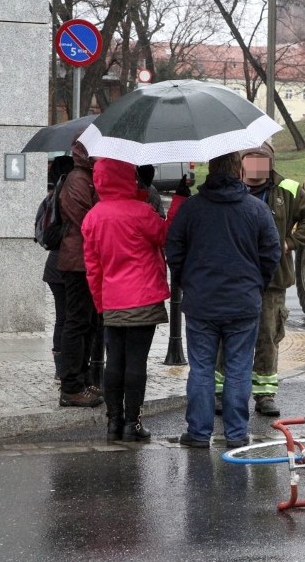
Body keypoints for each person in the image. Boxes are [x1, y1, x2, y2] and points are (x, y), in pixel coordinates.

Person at [166, 151, 280, 449]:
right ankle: (236, 433)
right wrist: (257, 283)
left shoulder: (192, 209)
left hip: (201, 301)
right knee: (239, 367)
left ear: (210, 171)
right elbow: (272, 253)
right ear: (239, 172)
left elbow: (174, 250)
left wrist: (186, 281)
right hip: (243, 302)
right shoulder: (256, 209)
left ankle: (199, 433)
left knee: (202, 367)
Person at [214, 142, 305, 417]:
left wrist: (291, 242)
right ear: (241, 162)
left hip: (272, 280)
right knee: (225, 337)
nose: (255, 164)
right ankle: (219, 392)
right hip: (234, 278)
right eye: (250, 158)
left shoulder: (287, 189)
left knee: (267, 336)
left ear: (270, 162)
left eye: (261, 159)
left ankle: (264, 395)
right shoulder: (229, 189)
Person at [81, 158, 188, 441]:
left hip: (112, 300)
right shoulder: (141, 212)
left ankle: (113, 422)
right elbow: (167, 235)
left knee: (114, 361)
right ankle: (133, 424)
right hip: (143, 298)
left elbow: (93, 268)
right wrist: (177, 201)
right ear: (128, 178)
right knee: (136, 363)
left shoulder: (93, 216)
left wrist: (100, 303)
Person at [57, 140, 103, 407]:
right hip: (77, 262)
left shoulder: (88, 177)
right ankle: (71, 386)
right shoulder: (77, 179)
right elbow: (86, 220)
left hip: (86, 260)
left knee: (87, 323)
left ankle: (82, 380)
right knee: (76, 323)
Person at [37, 155, 75, 383]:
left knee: (62, 317)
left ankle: (59, 368)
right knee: (71, 318)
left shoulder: (50, 197)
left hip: (53, 266)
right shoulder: (68, 198)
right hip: (67, 265)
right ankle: (67, 367)